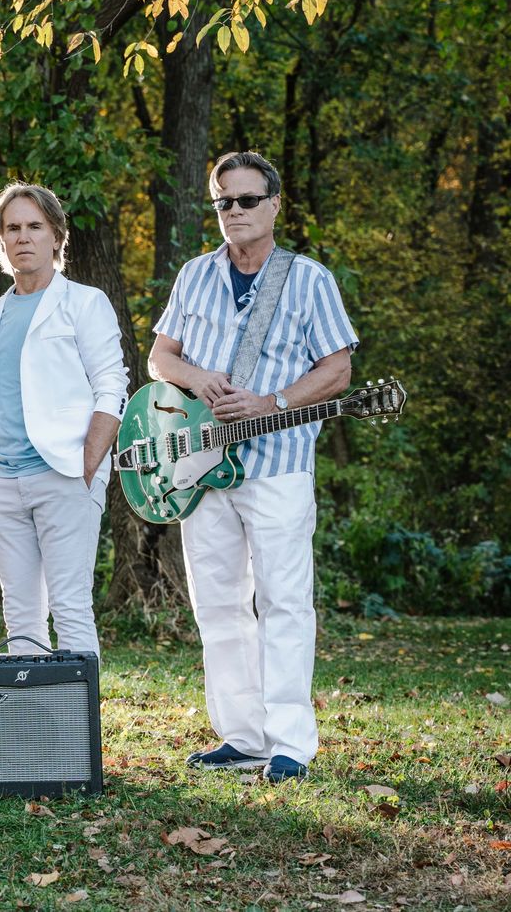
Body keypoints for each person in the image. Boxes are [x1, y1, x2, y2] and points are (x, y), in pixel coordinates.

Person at [149, 151, 356, 784]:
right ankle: (241, 737)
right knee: (217, 605)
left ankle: (290, 742)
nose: (234, 211)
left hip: (278, 465)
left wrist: (274, 402)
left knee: (284, 602)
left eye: (247, 200)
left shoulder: (309, 279)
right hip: (202, 464)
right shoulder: (194, 275)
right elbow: (161, 358)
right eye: (224, 201)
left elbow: (338, 369)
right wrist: (197, 379)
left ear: (274, 205)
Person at [0, 182, 127, 660]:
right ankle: (32, 711)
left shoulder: (84, 302)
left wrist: (89, 463)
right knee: (20, 612)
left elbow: (112, 386)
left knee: (70, 606)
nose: (23, 237)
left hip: (65, 474)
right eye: (12, 228)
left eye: (34, 226)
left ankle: (77, 713)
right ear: (1, 239)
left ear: (56, 236)